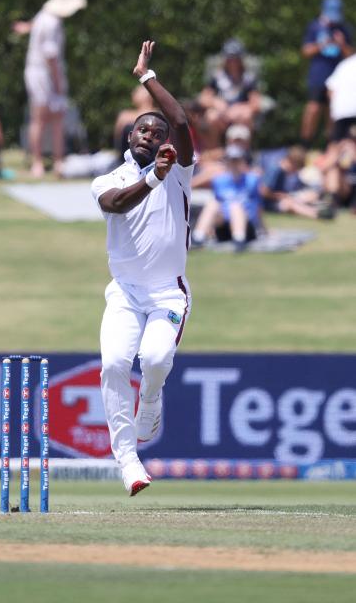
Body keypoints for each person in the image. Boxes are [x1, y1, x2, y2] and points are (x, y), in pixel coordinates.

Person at [91, 41, 194, 496]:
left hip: (168, 293)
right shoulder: (108, 179)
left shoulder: (181, 170)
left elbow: (184, 122)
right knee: (114, 363)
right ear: (130, 137)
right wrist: (153, 176)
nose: (150, 134)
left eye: (157, 131)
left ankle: (150, 398)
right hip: (126, 292)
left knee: (154, 360)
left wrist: (146, 78)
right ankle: (128, 461)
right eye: (142, 130)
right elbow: (117, 204)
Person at [14, 0, 87, 178]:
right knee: (45, 118)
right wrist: (58, 83)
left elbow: (36, 26)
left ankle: (53, 161)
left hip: (38, 71)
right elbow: (51, 56)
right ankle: (47, 162)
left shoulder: (44, 16)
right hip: (43, 73)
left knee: (47, 119)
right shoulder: (52, 22)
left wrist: (25, 27)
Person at [300, 0, 353, 146]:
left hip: (337, 78)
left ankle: (331, 145)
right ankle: (305, 144)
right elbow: (305, 51)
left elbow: (351, 55)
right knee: (313, 109)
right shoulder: (314, 26)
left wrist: (342, 44)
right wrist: (321, 45)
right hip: (318, 76)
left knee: (332, 112)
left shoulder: (344, 29)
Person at [192, 144, 262, 252]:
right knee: (213, 203)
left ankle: (239, 239)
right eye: (231, 161)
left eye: (237, 161)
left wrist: (263, 228)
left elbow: (258, 206)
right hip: (225, 227)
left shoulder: (252, 179)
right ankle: (198, 236)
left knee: (235, 206)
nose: (234, 164)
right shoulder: (219, 180)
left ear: (243, 161)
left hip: (246, 227)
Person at [198, 39, 262, 147]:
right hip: (221, 116)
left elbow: (255, 104)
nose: (232, 62)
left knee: (247, 115)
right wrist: (216, 103)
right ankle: (215, 150)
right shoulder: (217, 77)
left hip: (239, 116)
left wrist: (240, 108)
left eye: (235, 59)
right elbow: (203, 99)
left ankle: (244, 152)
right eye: (230, 58)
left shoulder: (248, 79)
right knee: (211, 116)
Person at [260, 146, 334, 219]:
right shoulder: (275, 169)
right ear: (292, 162)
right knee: (289, 203)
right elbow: (263, 192)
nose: (295, 171)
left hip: (279, 199)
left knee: (309, 196)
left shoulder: (283, 172)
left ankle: (319, 209)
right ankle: (317, 214)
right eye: (296, 168)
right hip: (267, 204)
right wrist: (280, 197)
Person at [114, 84, 156, 156]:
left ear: (147, 95)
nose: (132, 94)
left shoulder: (125, 117)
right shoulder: (125, 115)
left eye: (136, 92)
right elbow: (118, 142)